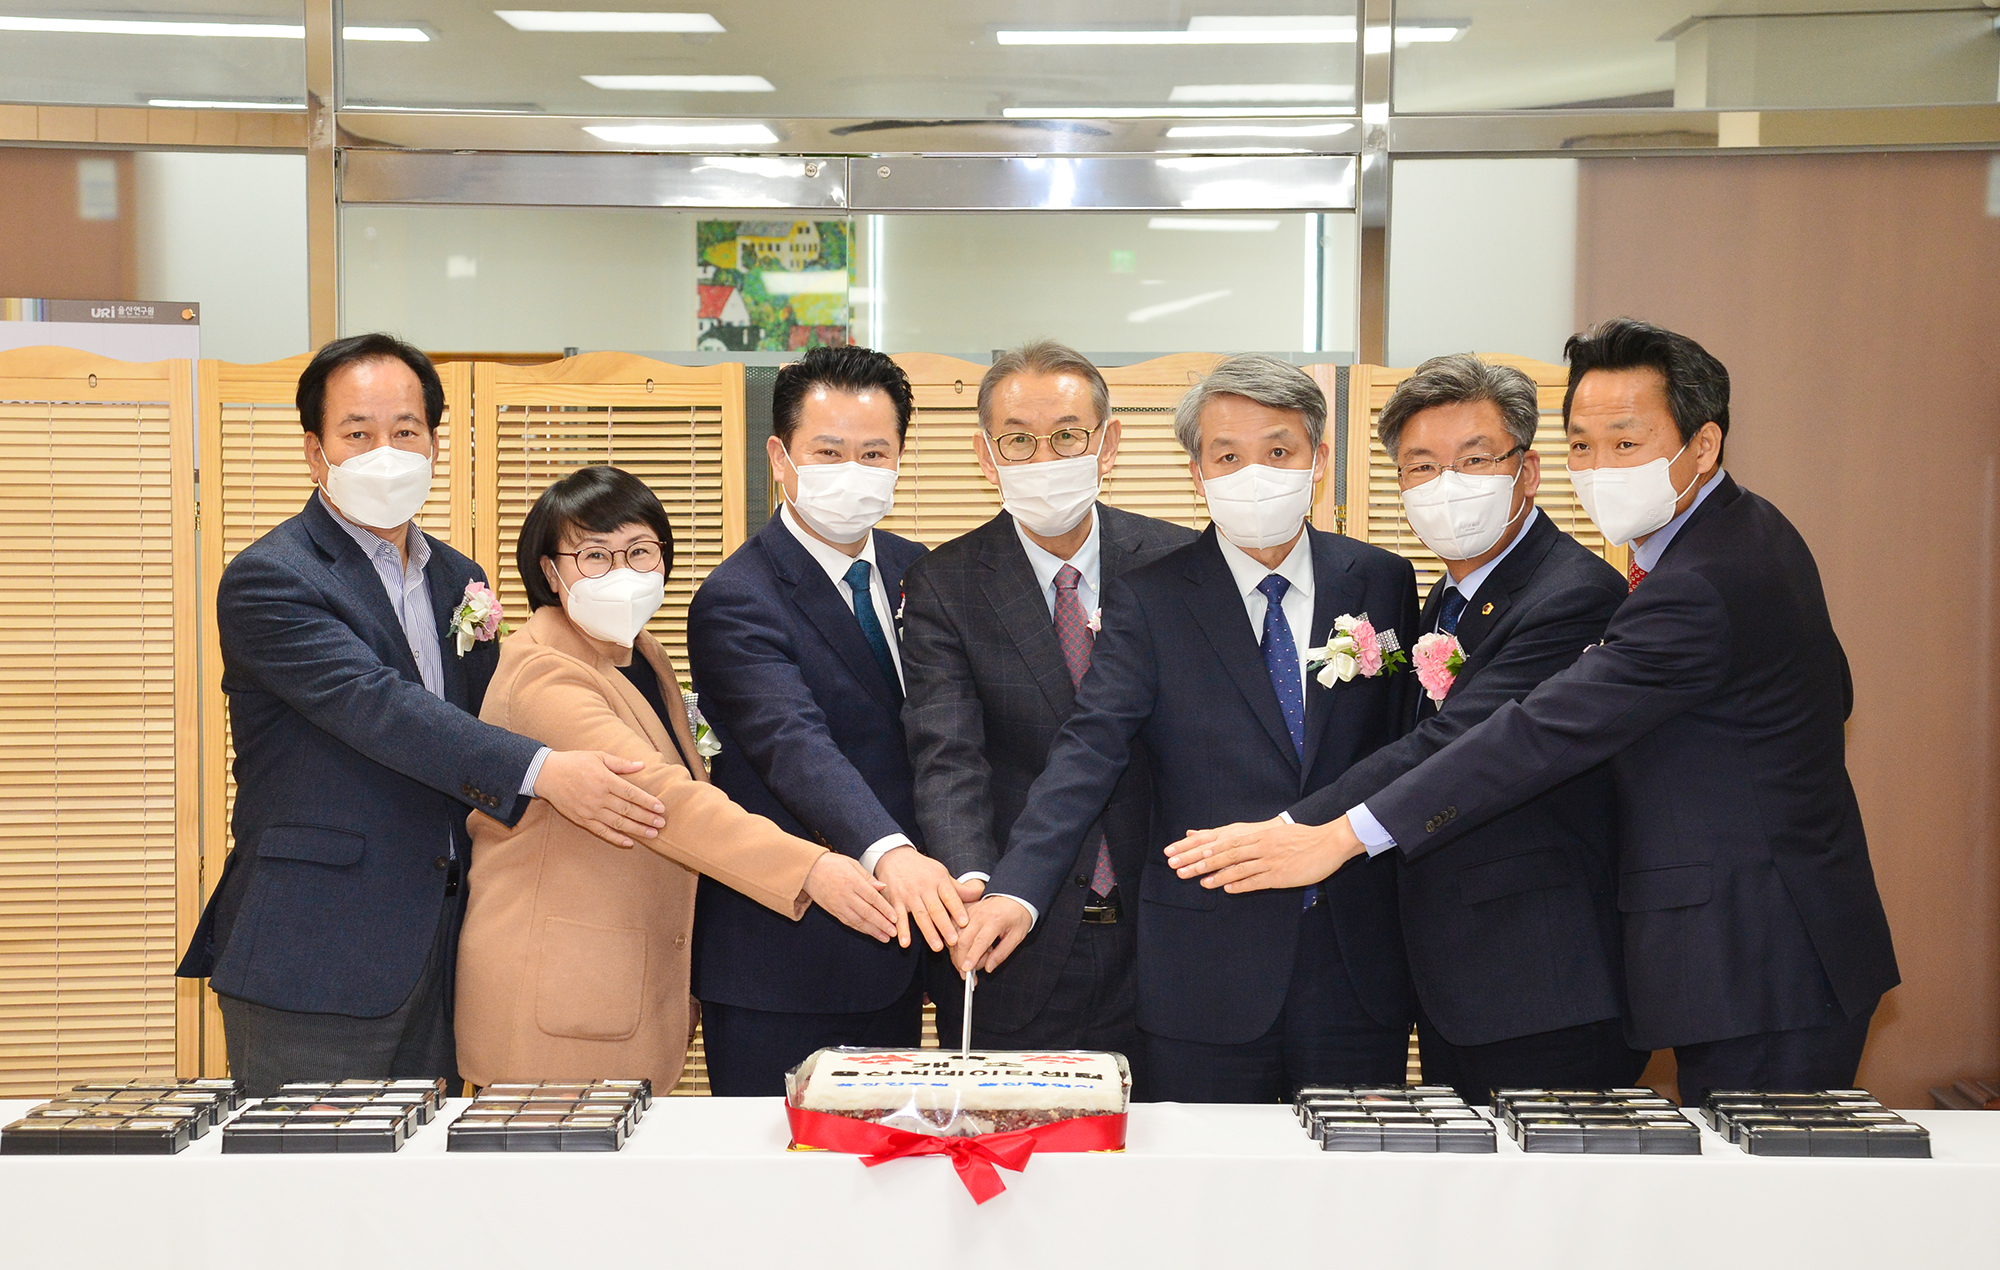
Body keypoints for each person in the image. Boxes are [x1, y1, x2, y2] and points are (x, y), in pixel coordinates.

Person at [1170, 320, 1898, 1106]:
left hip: (1743, 952)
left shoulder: (1659, 583)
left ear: (1703, 444)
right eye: (1584, 443)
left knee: (1755, 1203)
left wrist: (1323, 835)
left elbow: (1520, 738)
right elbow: (1832, 686)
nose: (1600, 466)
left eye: (1625, 443)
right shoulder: (1734, 537)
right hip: (1665, 955)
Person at [176, 334, 674, 1096]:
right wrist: (545, 771)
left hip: (449, 949)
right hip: (316, 953)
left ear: (434, 445)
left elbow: (486, 713)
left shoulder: (458, 577)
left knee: (423, 1205)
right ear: (316, 453)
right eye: (358, 433)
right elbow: (381, 709)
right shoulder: (270, 579)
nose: (386, 451)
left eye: (406, 431)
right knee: (308, 1197)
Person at [1173, 353, 1643, 1102]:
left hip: (1542, 984)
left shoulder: (1571, 595)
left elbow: (1454, 746)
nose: (1446, 485)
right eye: (1421, 466)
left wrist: (1303, 829)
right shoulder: (1439, 601)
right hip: (1451, 985)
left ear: (1527, 472)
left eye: (1474, 459)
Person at [955, 354, 1420, 1103]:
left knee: (1352, 1200)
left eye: (1278, 451)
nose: (1254, 473)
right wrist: (1018, 891)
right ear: (1197, 473)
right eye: (1227, 456)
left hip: (1354, 965)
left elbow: (1407, 752)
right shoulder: (1152, 599)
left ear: (1319, 461)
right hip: (1205, 971)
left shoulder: (1382, 581)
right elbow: (1088, 750)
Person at [453, 466, 896, 1093]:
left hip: (631, 990)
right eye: (594, 556)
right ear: (551, 572)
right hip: (556, 995)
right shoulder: (543, 670)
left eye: (639, 552)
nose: (623, 572)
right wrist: (811, 869)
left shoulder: (643, 654)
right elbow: (661, 801)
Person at [901, 340, 1195, 1078]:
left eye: (1068, 435)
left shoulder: (1179, 565)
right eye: (1018, 440)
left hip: (1166, 932)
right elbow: (948, 757)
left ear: (1109, 442)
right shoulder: (945, 583)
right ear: (985, 453)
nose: (1045, 456)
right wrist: (973, 881)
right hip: (1012, 940)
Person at [687, 345, 973, 1096]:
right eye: (829, 451)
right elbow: (794, 745)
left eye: (874, 452)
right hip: (785, 961)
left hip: (908, 955)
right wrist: (891, 854)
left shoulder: (927, 572)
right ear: (781, 458)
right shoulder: (737, 597)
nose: (853, 470)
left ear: (900, 458)